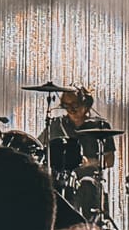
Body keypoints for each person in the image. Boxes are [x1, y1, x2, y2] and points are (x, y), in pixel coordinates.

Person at [38, 85, 115, 220]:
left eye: (75, 104)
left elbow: (110, 160)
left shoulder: (100, 126)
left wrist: (90, 163)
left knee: (86, 186)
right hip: (60, 178)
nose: (71, 109)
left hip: (88, 180)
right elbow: (38, 147)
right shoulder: (56, 124)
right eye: (66, 105)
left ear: (86, 103)